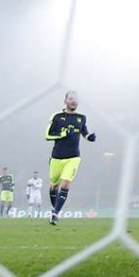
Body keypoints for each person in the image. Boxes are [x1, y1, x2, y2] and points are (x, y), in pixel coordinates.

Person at [44, 90, 97, 225]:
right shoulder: (57, 116)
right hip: (57, 157)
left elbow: (84, 131)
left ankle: (55, 214)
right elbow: (48, 135)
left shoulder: (81, 117)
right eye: (71, 99)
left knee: (66, 183)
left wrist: (89, 137)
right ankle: (53, 209)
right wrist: (62, 134)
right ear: (65, 101)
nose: (73, 101)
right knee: (54, 186)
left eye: (76, 99)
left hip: (73, 157)